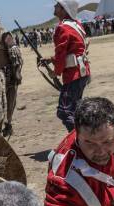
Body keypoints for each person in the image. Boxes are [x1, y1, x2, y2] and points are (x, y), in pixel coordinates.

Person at [39, 1, 91, 132]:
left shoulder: (62, 28)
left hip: (73, 75)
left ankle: (78, 143)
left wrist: (55, 72)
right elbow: (73, 50)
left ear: (64, 9)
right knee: (76, 110)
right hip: (82, 73)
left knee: (65, 112)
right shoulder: (76, 24)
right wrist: (51, 60)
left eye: (57, 5)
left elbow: (61, 55)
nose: (54, 7)